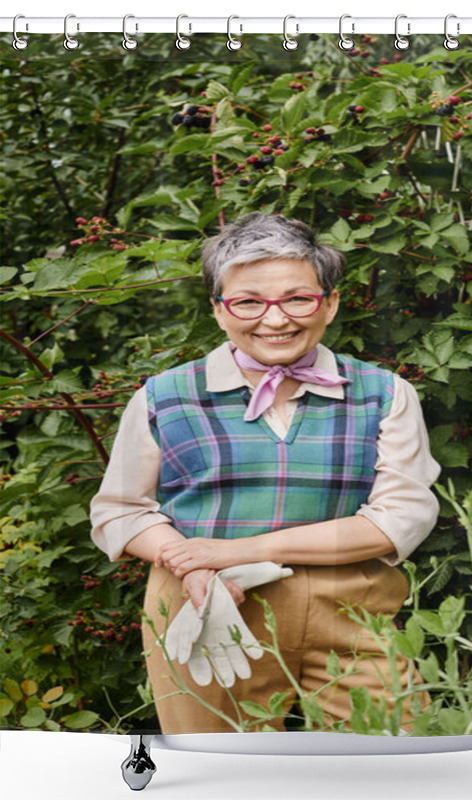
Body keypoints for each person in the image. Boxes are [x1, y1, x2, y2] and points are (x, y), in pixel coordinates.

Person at [89, 212, 441, 734]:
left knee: (397, 760)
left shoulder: (385, 393)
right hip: (206, 607)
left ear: (331, 302)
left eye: (297, 299)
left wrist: (233, 552)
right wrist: (194, 567)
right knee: (221, 778)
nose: (275, 320)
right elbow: (120, 512)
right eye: (249, 302)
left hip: (350, 610)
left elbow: (395, 522)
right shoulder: (164, 396)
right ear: (219, 310)